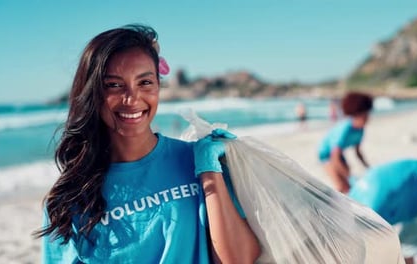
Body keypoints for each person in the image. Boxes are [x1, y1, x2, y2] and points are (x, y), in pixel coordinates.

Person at [33, 25, 260, 263]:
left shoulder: (200, 163)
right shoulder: (67, 201)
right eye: (114, 85)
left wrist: (209, 170)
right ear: (93, 92)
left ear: (158, 86)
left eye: (145, 83)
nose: (132, 98)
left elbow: (239, 259)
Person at [318, 92, 373, 193]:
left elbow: (358, 152)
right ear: (357, 114)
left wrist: (369, 169)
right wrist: (348, 176)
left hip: (338, 154)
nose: (368, 118)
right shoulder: (345, 129)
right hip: (326, 154)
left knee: (348, 187)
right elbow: (334, 157)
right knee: (340, 185)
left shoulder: (360, 130)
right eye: (365, 115)